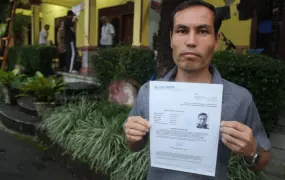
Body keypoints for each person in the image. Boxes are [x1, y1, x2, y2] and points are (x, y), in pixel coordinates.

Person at [123, 1, 271, 180]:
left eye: (202, 31)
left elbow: (263, 161)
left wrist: (251, 150)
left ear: (216, 41)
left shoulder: (240, 99)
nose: (191, 42)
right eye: (182, 31)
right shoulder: (149, 93)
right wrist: (132, 137)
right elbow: (134, 146)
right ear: (171, 39)